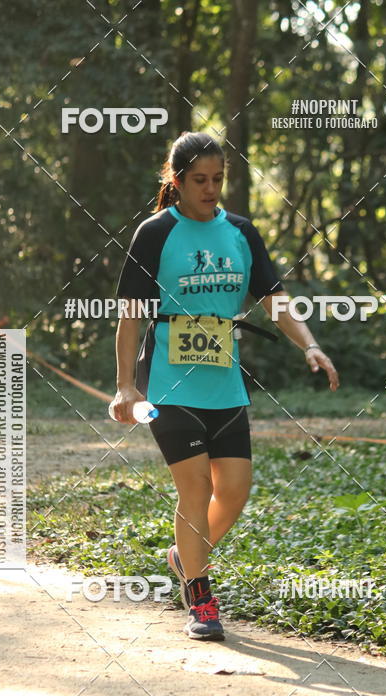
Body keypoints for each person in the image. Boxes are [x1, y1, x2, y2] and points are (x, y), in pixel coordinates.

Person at [110, 132, 339, 642]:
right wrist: (125, 386)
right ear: (176, 180)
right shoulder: (155, 232)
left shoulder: (240, 231)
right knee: (196, 488)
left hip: (225, 381)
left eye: (218, 179)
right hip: (167, 382)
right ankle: (201, 597)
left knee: (233, 493)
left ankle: (182, 556)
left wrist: (309, 344)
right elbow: (130, 315)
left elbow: (274, 298)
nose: (210, 189)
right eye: (199, 180)